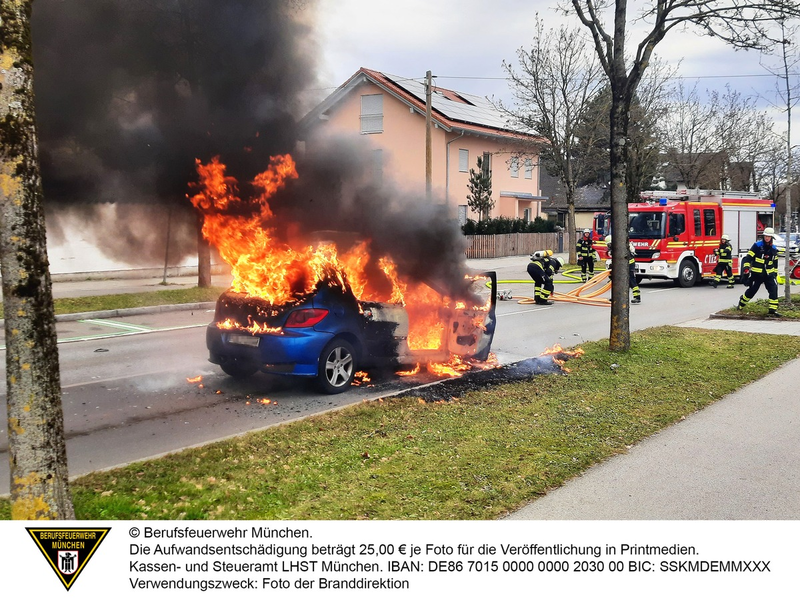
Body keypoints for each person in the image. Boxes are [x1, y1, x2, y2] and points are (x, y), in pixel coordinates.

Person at [737, 227, 781, 316]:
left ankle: (772, 310)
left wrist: (775, 274)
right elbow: (748, 258)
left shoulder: (773, 248)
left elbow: (775, 263)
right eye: (765, 236)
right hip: (757, 274)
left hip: (769, 275)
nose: (767, 238)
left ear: (772, 237)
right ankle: (741, 304)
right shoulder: (757, 246)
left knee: (774, 289)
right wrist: (746, 268)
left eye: (769, 236)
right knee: (752, 291)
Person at [605, 235, 641, 304]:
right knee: (617, 281)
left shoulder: (621, 247)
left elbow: (621, 258)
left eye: (609, 244)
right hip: (621, 265)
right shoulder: (615, 248)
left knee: (631, 280)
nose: (608, 246)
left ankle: (637, 297)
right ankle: (615, 297)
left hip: (629, 264)